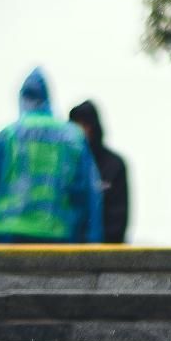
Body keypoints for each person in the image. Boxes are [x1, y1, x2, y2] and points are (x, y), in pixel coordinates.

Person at [0, 68, 102, 244]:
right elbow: (87, 193)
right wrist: (91, 240)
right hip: (57, 236)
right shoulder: (72, 137)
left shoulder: (10, 135)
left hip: (8, 234)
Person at [65, 100, 130, 246]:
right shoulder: (66, 165)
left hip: (103, 252)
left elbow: (119, 219)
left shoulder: (114, 165)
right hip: (69, 249)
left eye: (84, 125)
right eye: (75, 125)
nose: (80, 131)